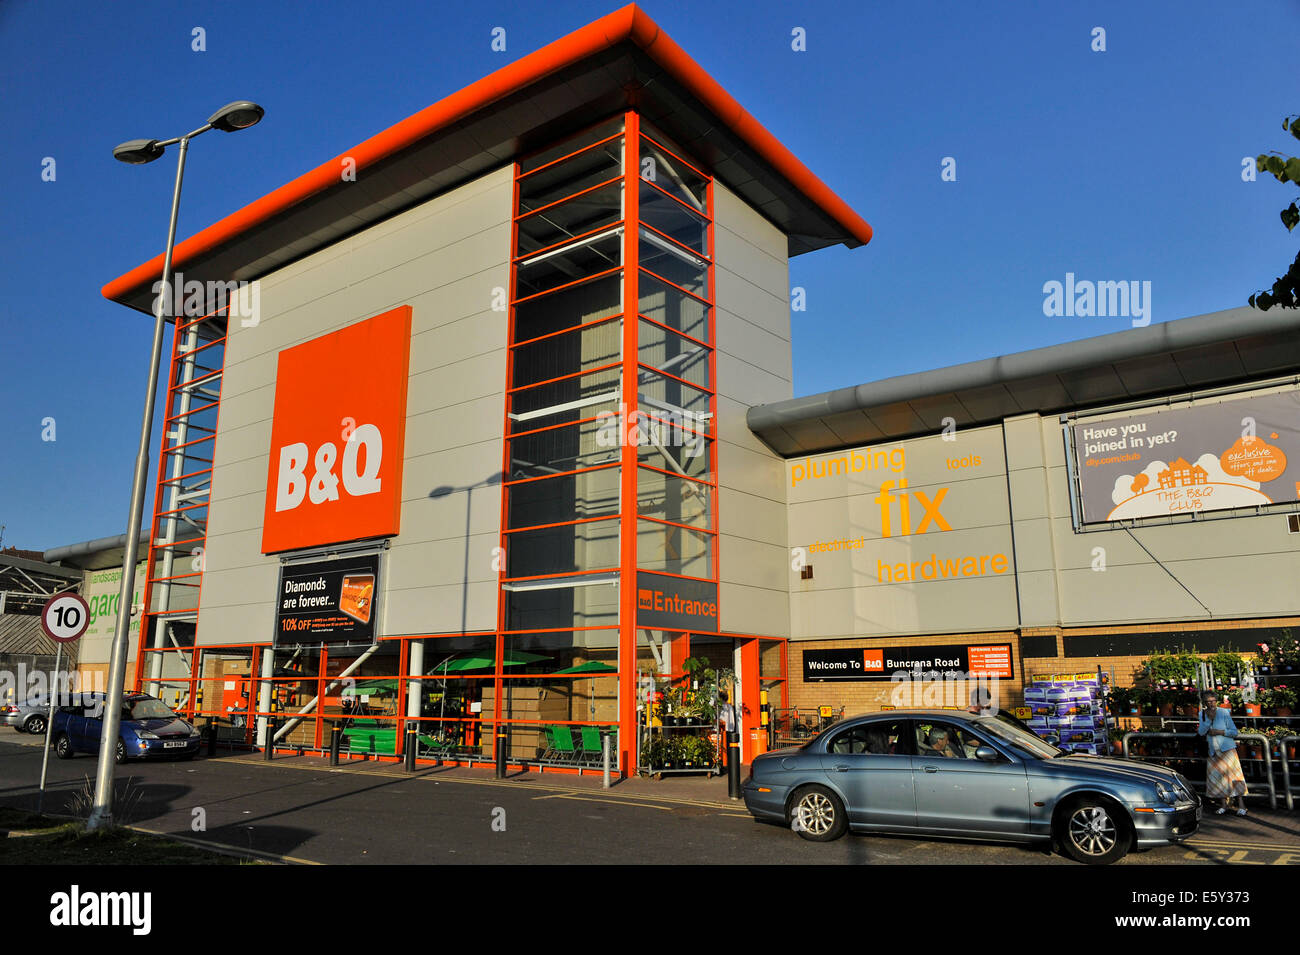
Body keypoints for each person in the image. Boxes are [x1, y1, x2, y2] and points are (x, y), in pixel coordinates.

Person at [1198, 691, 1247, 816]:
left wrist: (1221, 732)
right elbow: (1201, 732)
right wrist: (1209, 720)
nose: (1212, 703)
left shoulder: (1224, 712)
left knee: (1234, 777)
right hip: (1213, 751)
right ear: (1205, 702)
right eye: (1209, 701)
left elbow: (1234, 731)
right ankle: (1224, 805)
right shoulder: (1202, 714)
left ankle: (1241, 805)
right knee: (1217, 778)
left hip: (1227, 749)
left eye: (1214, 701)